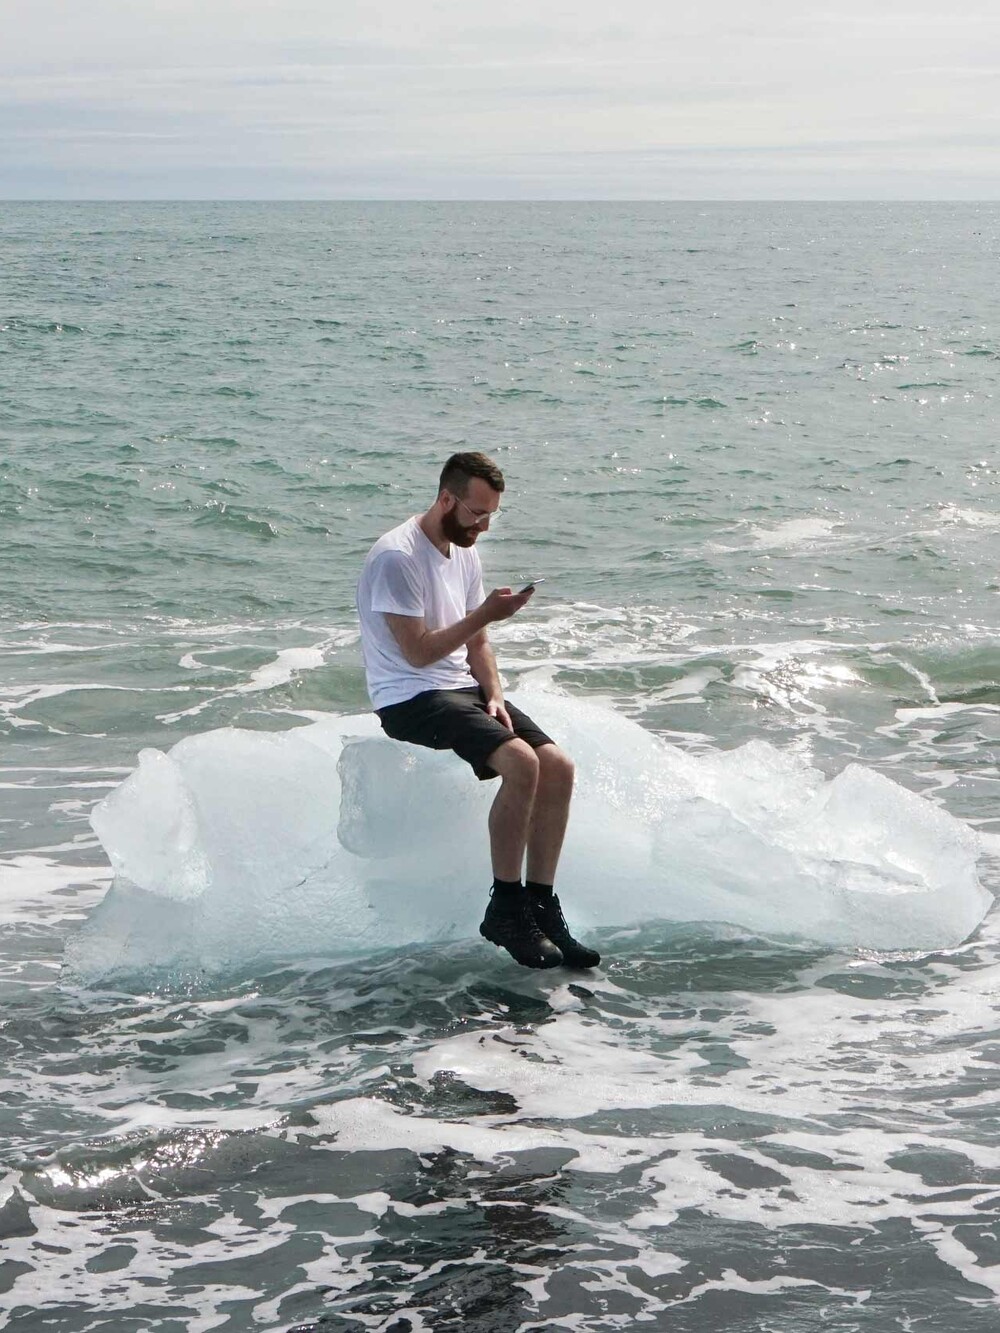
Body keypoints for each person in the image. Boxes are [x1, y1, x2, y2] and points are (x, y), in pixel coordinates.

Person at [356, 451, 599, 970]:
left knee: (558, 766)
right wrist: (487, 611)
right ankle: (506, 908)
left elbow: (479, 645)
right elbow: (418, 652)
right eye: (475, 513)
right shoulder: (397, 557)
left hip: (461, 689)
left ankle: (541, 906)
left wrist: (492, 691)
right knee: (522, 763)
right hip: (408, 696)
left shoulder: (464, 551)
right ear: (447, 499)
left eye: (491, 516)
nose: (483, 526)